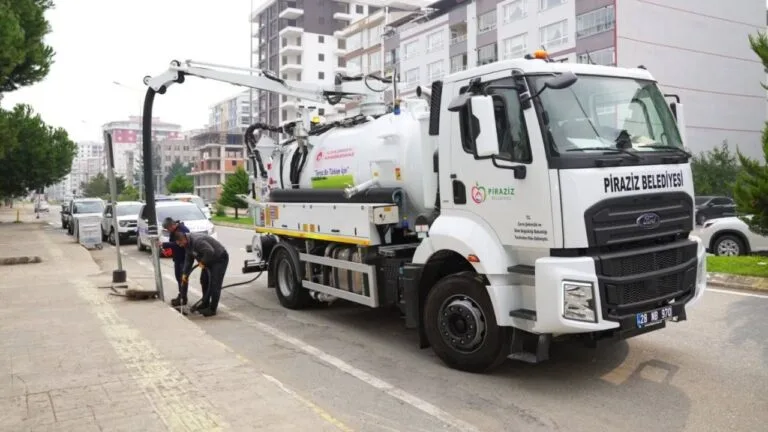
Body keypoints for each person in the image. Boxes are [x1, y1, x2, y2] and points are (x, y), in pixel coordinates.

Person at [176, 231, 229, 317]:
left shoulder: (197, 241)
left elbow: (210, 251)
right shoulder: (187, 245)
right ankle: (205, 303)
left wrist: (203, 262)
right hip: (208, 260)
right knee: (204, 280)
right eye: (178, 244)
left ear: (184, 239)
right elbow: (188, 260)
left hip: (219, 258)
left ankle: (212, 309)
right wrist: (185, 274)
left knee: (215, 283)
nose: (180, 245)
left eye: (180, 243)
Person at [160, 217, 208, 308]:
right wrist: (169, 250)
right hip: (178, 258)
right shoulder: (174, 231)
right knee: (179, 278)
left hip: (185, 258)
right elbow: (176, 244)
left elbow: (179, 244)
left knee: (183, 278)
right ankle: (181, 295)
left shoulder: (182, 230)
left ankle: (183, 298)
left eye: (168, 229)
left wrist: (164, 244)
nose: (168, 231)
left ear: (172, 225)